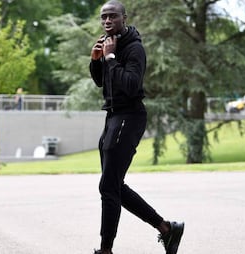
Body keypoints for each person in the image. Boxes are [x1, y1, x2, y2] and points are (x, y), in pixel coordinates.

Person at [89, 1, 184, 254]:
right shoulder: (109, 44)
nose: (107, 21)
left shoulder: (134, 48)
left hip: (129, 118)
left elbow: (131, 85)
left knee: (108, 186)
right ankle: (166, 228)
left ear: (124, 18)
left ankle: (105, 250)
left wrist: (110, 57)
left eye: (112, 16)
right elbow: (102, 82)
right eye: (103, 17)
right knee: (113, 185)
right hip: (112, 117)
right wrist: (97, 59)